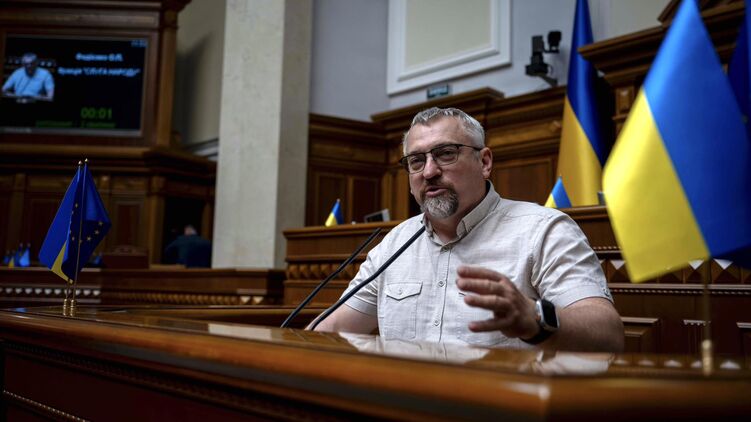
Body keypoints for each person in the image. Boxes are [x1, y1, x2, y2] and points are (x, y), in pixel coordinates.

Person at [312, 107, 624, 352]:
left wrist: (536, 319)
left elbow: (608, 334)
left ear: (484, 162)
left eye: (446, 154)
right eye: (416, 161)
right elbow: (331, 331)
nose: (429, 171)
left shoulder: (544, 231)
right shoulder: (394, 243)